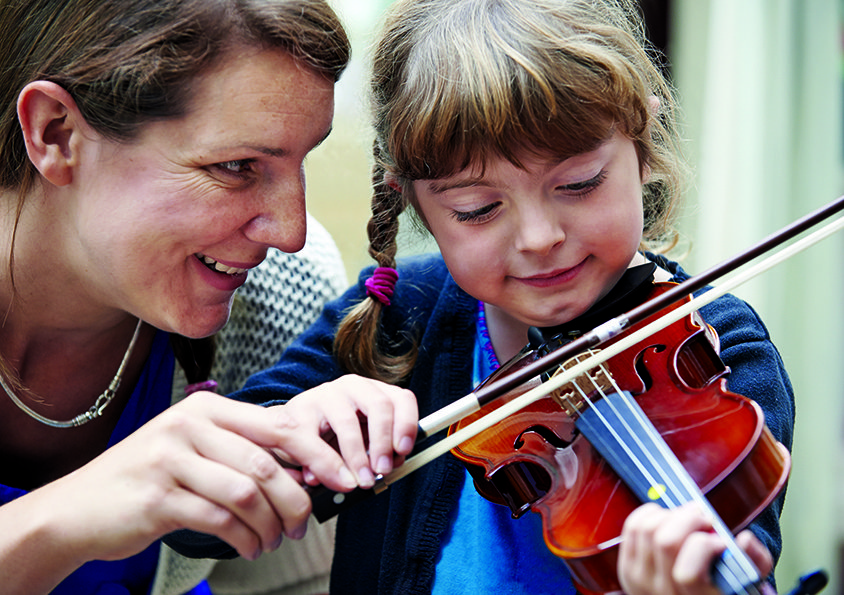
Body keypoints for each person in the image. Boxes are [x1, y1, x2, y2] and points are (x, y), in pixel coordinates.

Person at [216, 0, 795, 593]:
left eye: (578, 184)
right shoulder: (397, 320)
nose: (541, 239)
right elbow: (202, 526)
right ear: (412, 200)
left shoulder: (712, 350)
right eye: (478, 209)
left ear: (642, 149)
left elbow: (747, 550)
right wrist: (298, 426)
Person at [0, 2, 418, 594]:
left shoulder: (283, 295)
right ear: (55, 132)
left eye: (302, 161)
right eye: (237, 166)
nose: (290, 232)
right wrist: (63, 520)